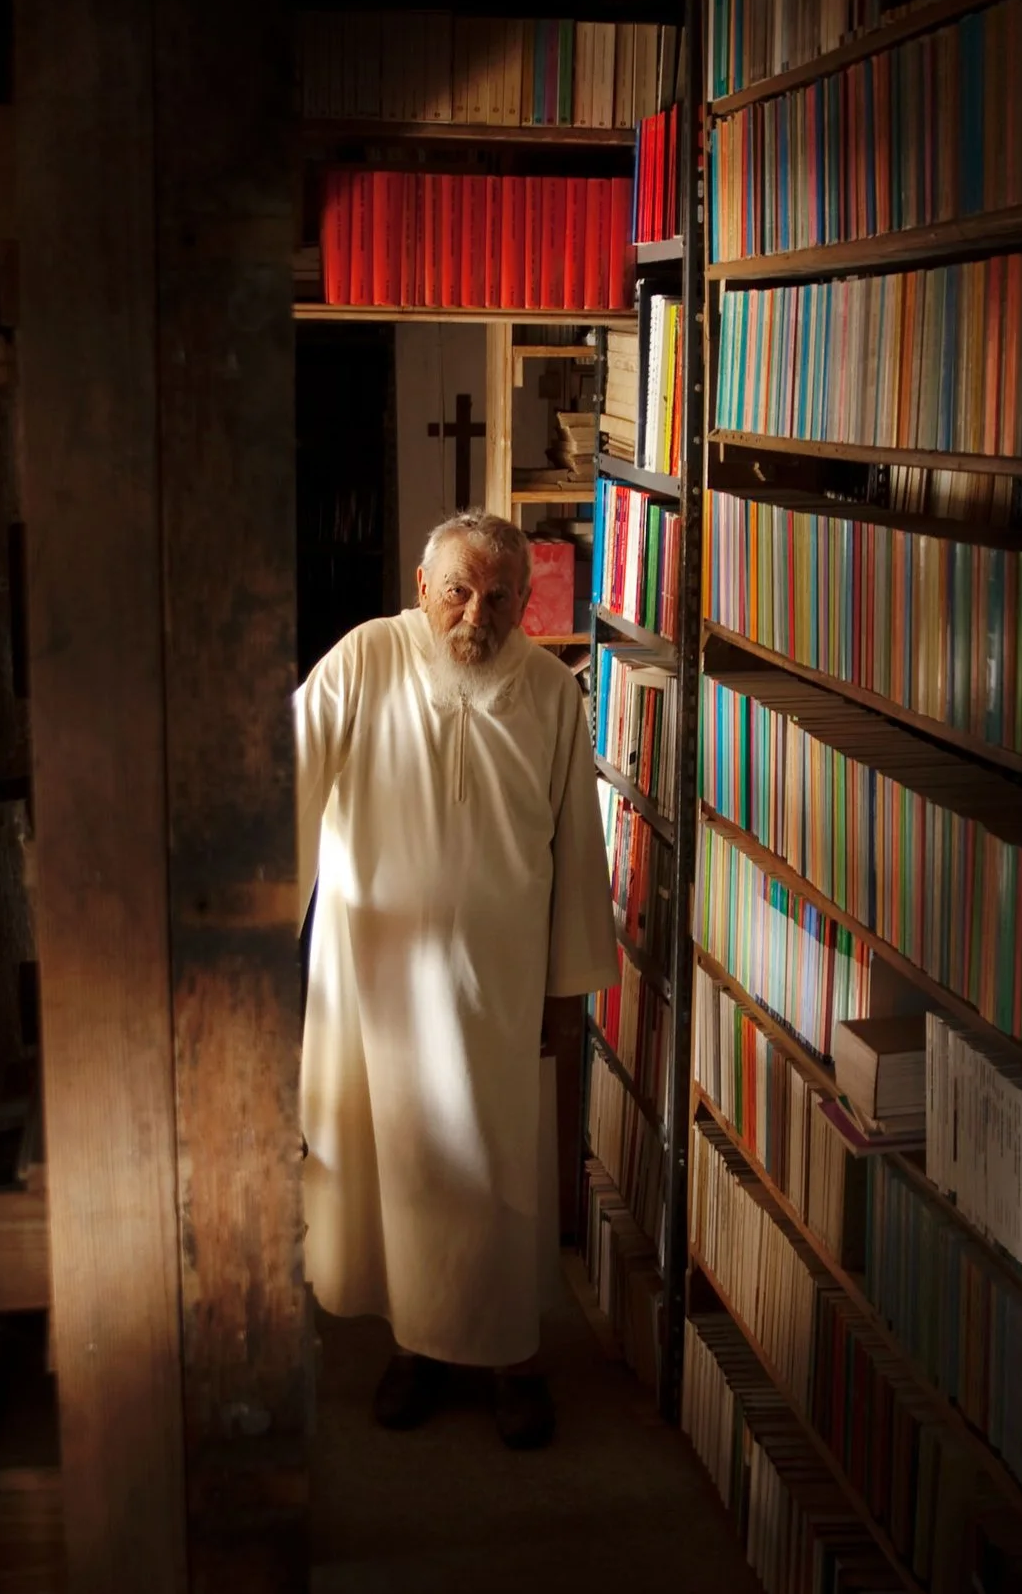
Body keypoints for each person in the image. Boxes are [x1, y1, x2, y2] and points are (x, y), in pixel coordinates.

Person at [295, 510, 616, 1450]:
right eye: (459, 590)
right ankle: (417, 1349)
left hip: (497, 986)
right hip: (377, 985)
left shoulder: (555, 693)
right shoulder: (365, 659)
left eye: (501, 594)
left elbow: (578, 853)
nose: (478, 610)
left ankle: (515, 1359)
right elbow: (286, 776)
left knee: (503, 1172)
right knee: (403, 1168)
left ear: (527, 599)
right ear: (421, 585)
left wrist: (567, 990)